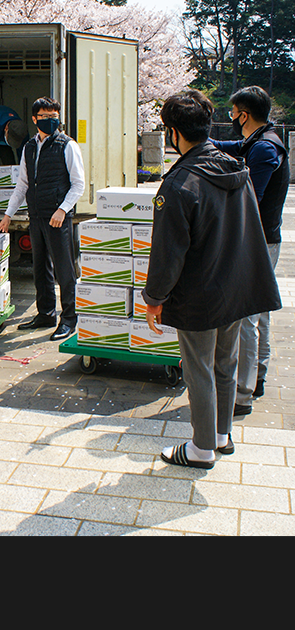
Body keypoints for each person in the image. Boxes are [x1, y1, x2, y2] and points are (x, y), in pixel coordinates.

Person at [143, 90, 281, 469]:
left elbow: (167, 253)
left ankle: (202, 448)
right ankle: (221, 436)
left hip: (200, 293)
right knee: (225, 363)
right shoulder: (234, 168)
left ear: (173, 133)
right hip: (236, 286)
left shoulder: (179, 184)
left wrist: (154, 297)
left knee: (198, 368)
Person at [211, 86, 289, 414]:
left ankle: (242, 393)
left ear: (243, 113)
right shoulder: (260, 139)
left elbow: (250, 197)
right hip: (266, 238)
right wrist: (203, 142)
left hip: (261, 241)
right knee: (261, 310)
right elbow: (234, 146)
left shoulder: (265, 149)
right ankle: (258, 373)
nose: (230, 118)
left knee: (246, 315)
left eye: (233, 112)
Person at [0, 96, 85, 342]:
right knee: (40, 267)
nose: (50, 121)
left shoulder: (67, 145)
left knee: (64, 270)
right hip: (35, 215)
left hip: (57, 217)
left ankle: (69, 319)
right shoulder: (29, 147)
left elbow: (78, 185)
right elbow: (22, 184)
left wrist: (63, 209)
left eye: (54, 116)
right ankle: (45, 313)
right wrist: (7, 215)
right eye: (45, 117)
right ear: (34, 119)